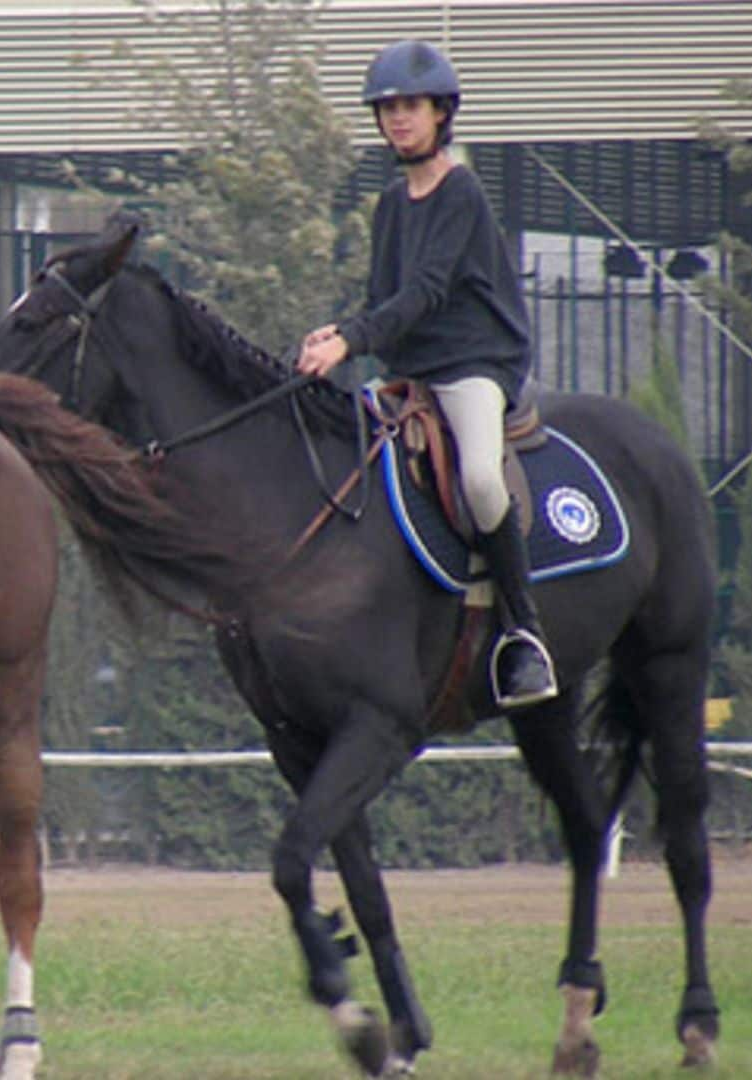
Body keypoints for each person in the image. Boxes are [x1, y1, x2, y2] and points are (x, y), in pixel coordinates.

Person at [294, 39, 557, 710]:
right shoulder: (389, 205)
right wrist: (340, 331)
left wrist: (351, 343)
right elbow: (388, 300)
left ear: (442, 112)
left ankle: (522, 634)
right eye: (386, 109)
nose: (397, 119)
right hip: (412, 373)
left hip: (473, 364)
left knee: (477, 475)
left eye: (410, 106)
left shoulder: (460, 191)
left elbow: (428, 293)